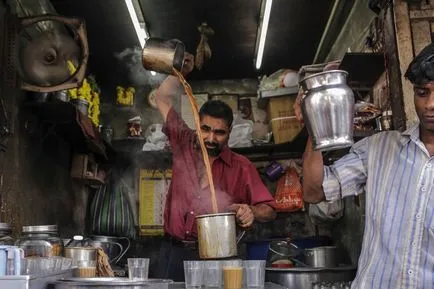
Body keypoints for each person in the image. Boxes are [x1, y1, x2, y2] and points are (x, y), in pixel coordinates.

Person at [295, 43, 434, 289]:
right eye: (422, 92)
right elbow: (313, 191)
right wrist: (314, 118)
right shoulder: (379, 148)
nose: (431, 103)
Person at [153, 53, 276, 281]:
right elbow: (161, 97)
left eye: (219, 132)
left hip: (216, 257)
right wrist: (180, 72)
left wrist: (251, 211)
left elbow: (268, 209)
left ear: (230, 132)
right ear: (197, 126)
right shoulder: (183, 141)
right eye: (205, 129)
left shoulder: (242, 167)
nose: (210, 138)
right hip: (172, 253)